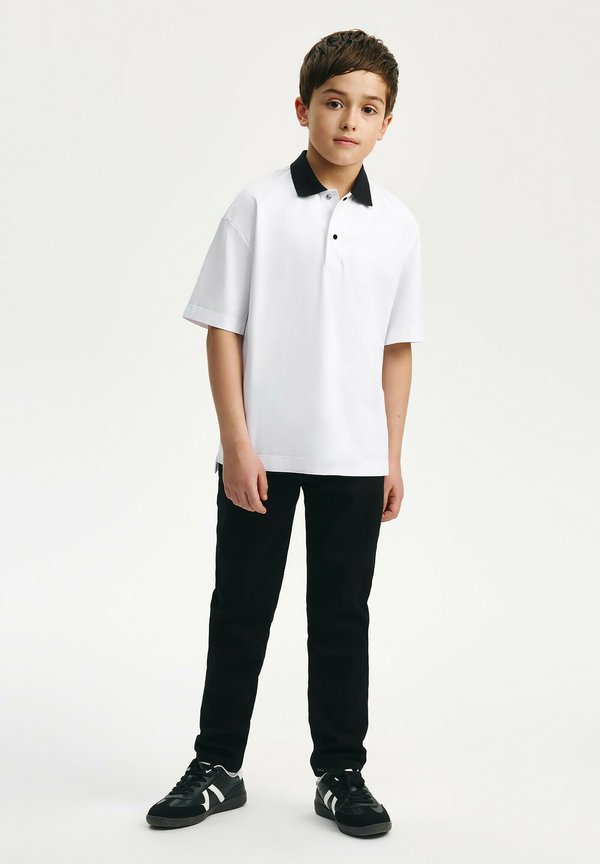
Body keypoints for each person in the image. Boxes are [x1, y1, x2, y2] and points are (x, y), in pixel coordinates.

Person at [146, 27, 424, 839]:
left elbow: (397, 348)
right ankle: (216, 766)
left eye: (367, 108)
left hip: (354, 456)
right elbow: (222, 329)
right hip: (261, 452)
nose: (349, 120)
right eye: (334, 103)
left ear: (386, 123)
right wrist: (237, 443)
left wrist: (391, 456)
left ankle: (341, 772)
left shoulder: (397, 226)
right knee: (240, 609)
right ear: (303, 109)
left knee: (342, 617)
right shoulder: (258, 207)